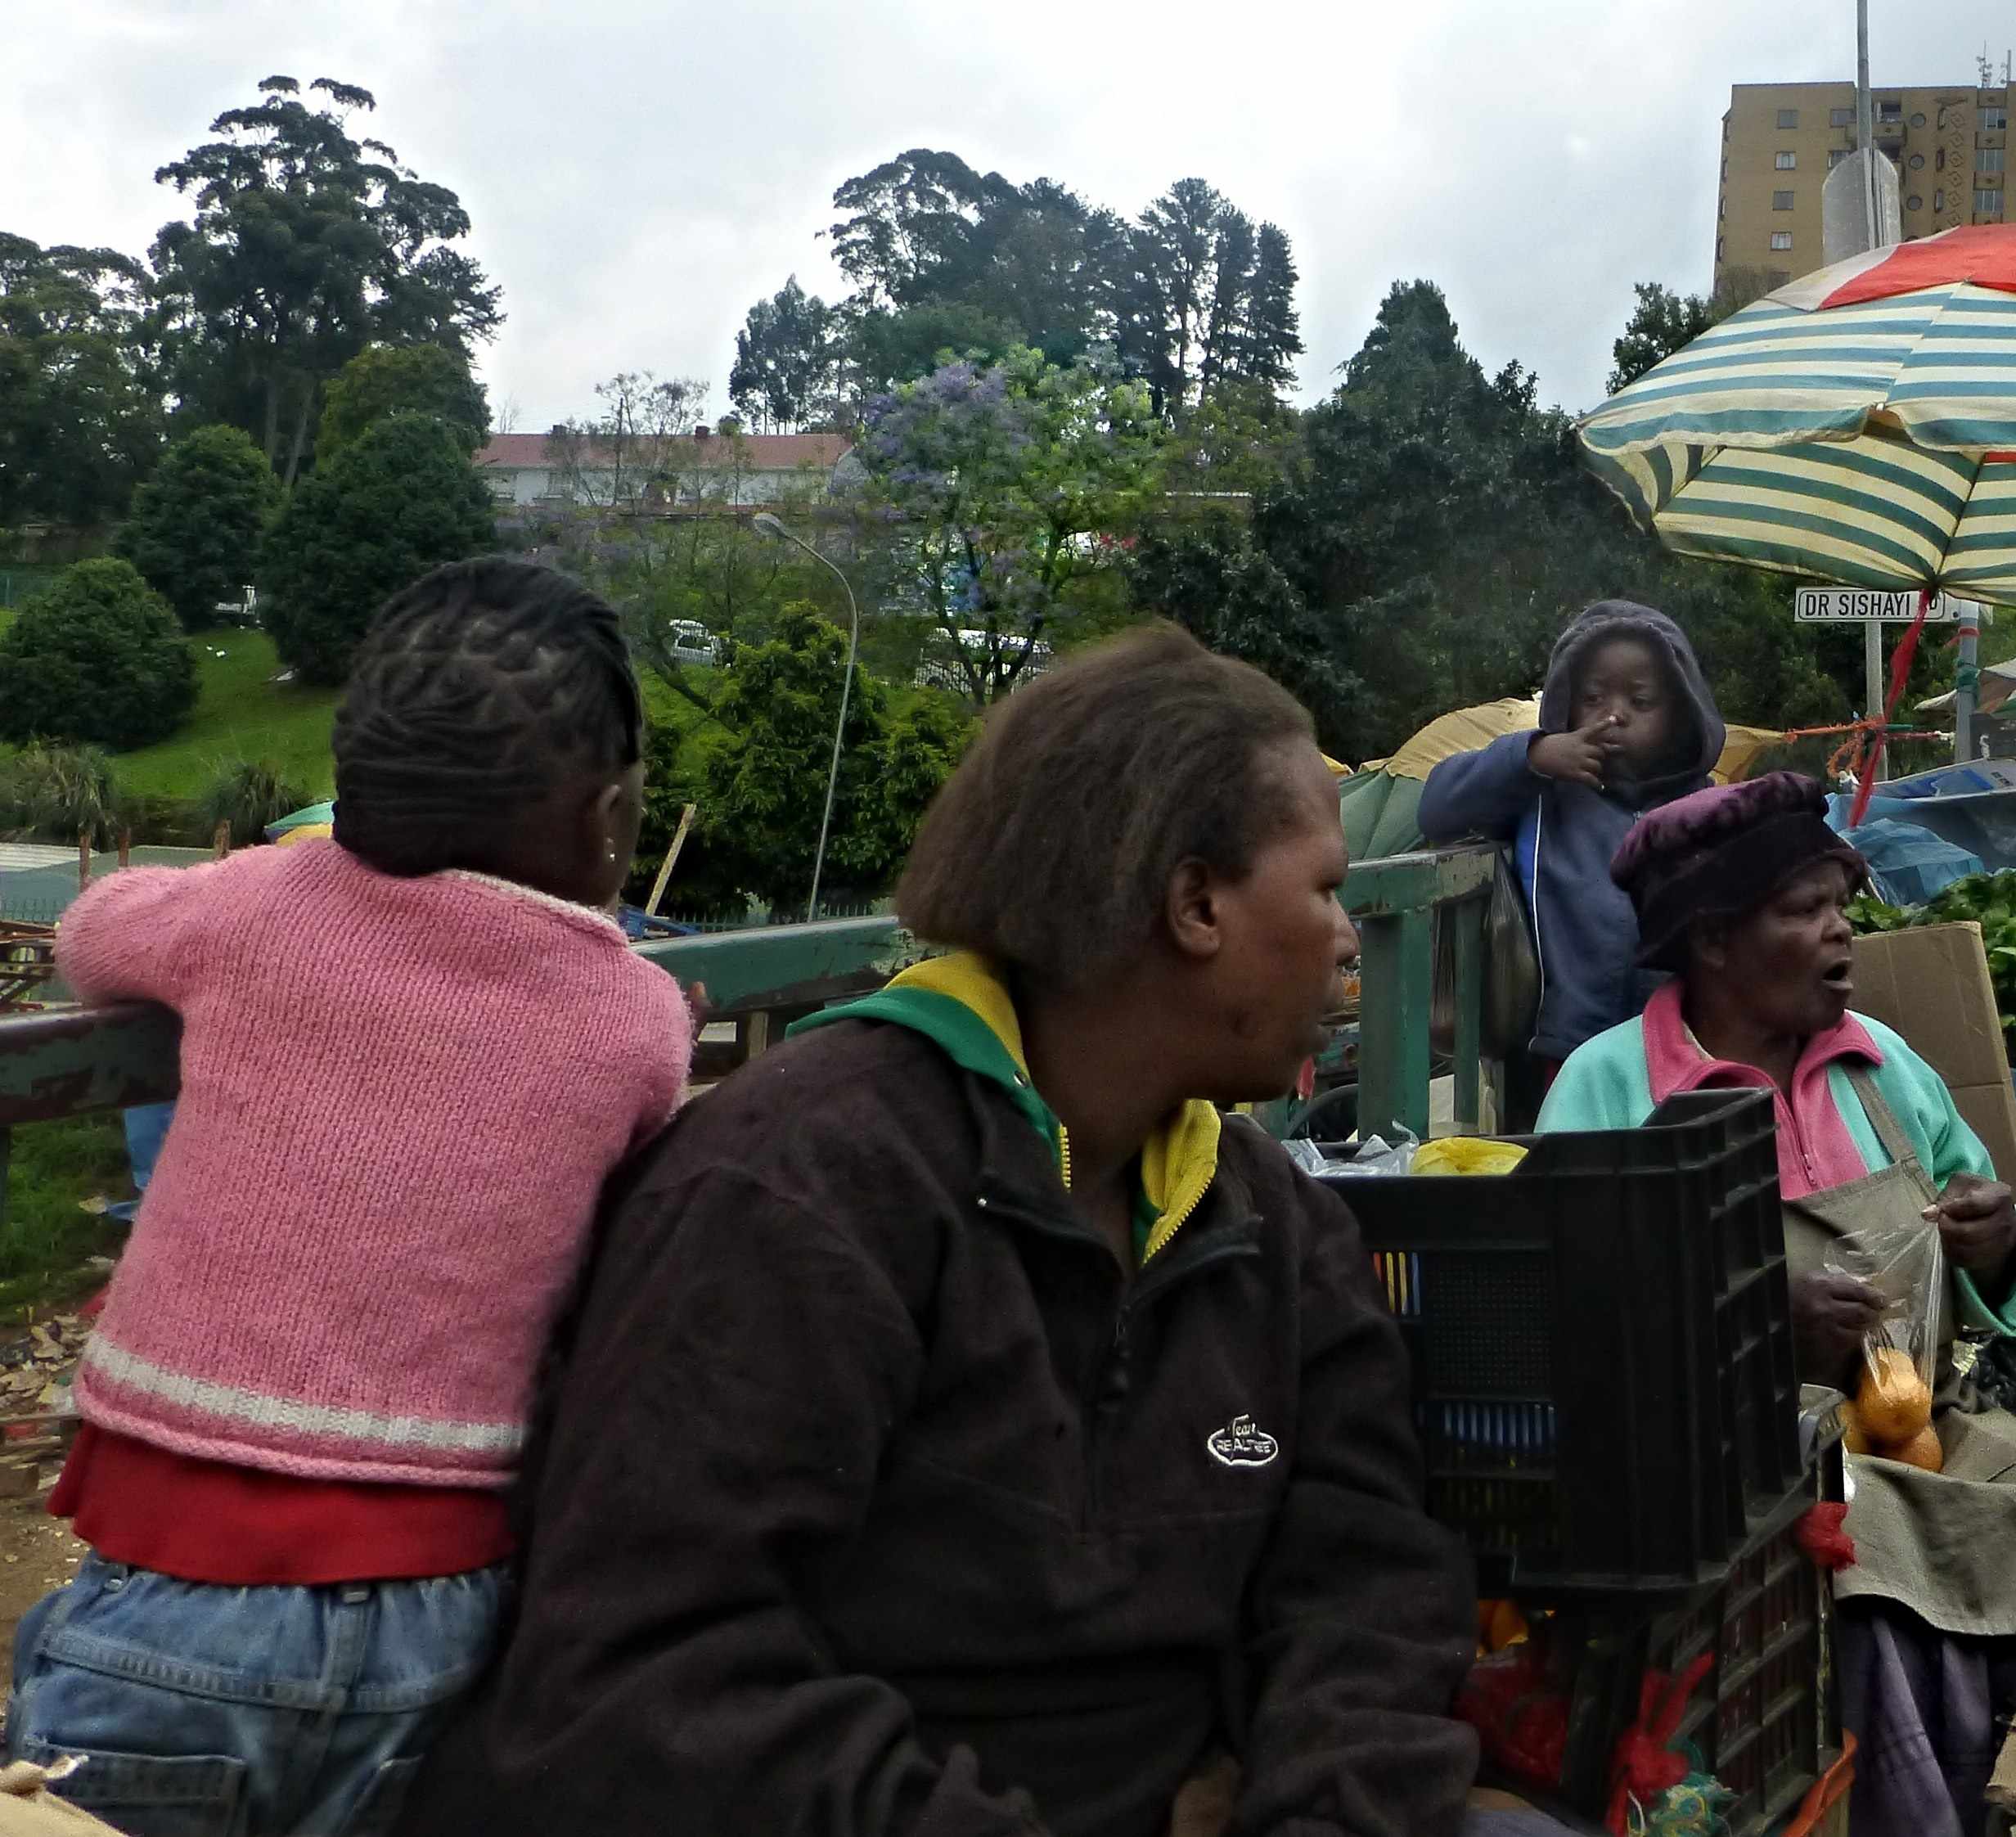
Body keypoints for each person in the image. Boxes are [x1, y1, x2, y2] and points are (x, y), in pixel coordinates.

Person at [402, 626, 1549, 1837]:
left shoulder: (1277, 1226)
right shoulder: (796, 1186)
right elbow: (648, 1670)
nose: (1347, 935)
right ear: (1196, 903)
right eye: (1322, 889)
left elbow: (1367, 1587)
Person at [20, 559, 695, 1837]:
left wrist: (272, 875)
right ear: (609, 816)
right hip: (449, 1607)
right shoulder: (638, 1017)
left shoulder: (261, 907)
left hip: (181, 1592)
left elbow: (91, 936)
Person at [1537, 773, 2016, 1837]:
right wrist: (1757, 1326)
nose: (1843, 930)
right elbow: (1572, 1318)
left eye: (1843, 903)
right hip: (1726, 1459)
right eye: (1805, 908)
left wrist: (1997, 1241)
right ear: (1712, 938)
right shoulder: (1611, 1087)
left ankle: (1998, 1795)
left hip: (1915, 1424)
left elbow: (2000, 1267)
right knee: (1860, 1549)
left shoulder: (1885, 1067)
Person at [1420, 601, 1723, 1123]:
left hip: (1683, 1040)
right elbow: (1437, 808)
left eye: (1640, 700)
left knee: (1667, 1157)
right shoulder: (1543, 793)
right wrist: (1531, 757)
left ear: (1681, 713)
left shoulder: (1709, 808)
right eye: (1592, 698)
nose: (1613, 715)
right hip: (1561, 1042)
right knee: (1569, 1157)